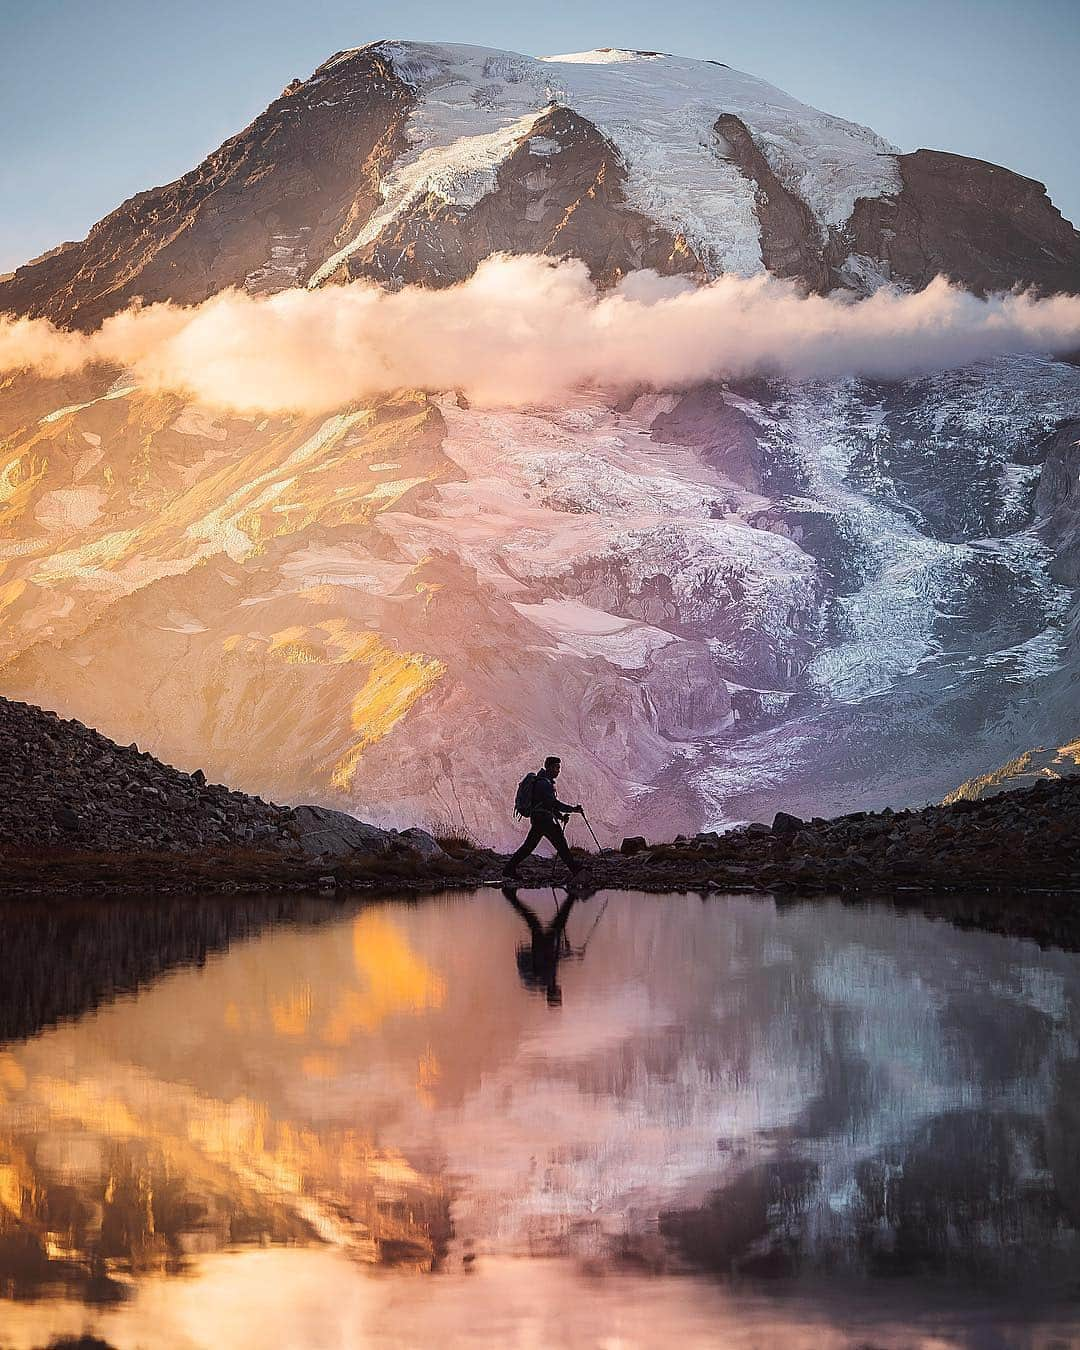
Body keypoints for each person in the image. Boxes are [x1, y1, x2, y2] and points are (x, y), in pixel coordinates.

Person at [503, 755, 584, 878]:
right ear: (550, 767)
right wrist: (573, 809)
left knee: (529, 846)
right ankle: (575, 870)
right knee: (560, 844)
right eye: (556, 768)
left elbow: (547, 804)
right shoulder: (544, 784)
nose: (558, 771)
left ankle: (509, 869)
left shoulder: (542, 781)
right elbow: (552, 803)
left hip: (539, 819)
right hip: (544, 820)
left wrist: (560, 817)